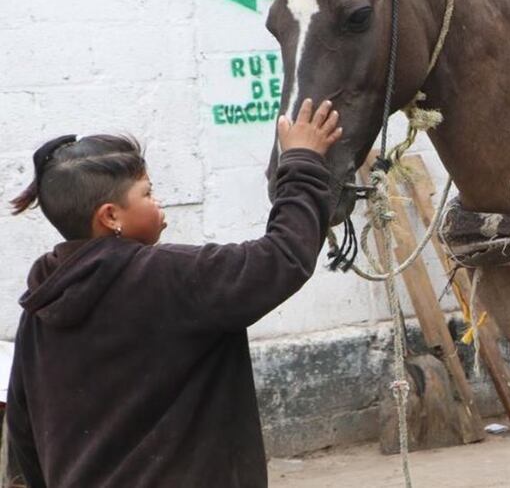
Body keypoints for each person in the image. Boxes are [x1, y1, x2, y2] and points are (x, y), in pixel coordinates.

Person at [6, 99, 341, 487]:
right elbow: (281, 259)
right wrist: (302, 162)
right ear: (110, 216)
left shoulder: (39, 307)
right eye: (148, 193)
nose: (159, 201)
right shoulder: (167, 276)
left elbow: (23, 431)